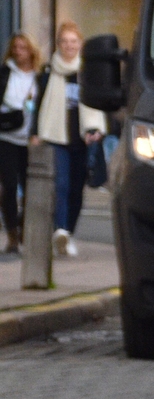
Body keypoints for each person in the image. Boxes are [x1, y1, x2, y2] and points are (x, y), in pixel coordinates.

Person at [34, 22, 106, 259]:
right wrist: (35, 131)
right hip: (57, 136)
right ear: (58, 44)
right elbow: (39, 104)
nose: (69, 46)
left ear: (80, 44)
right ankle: (60, 230)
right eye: (64, 41)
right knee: (61, 185)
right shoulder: (48, 72)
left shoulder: (88, 71)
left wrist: (97, 129)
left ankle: (69, 234)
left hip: (83, 137)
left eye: (73, 41)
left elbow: (99, 104)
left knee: (77, 189)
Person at [1, 34, 38, 254]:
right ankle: (13, 234)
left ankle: (26, 227)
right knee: (9, 187)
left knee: (31, 188)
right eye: (15, 47)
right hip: (5, 137)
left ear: (31, 50)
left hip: (30, 139)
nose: (19, 51)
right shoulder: (5, 72)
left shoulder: (39, 76)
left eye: (23, 47)